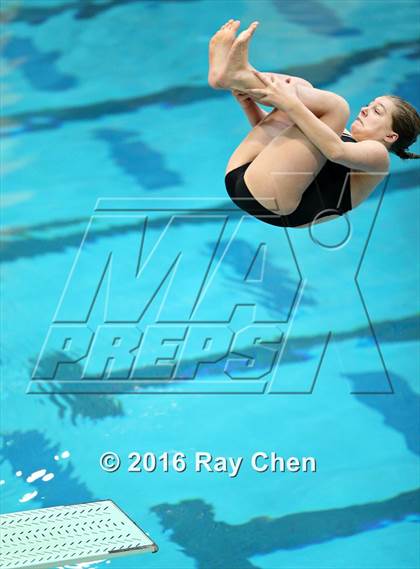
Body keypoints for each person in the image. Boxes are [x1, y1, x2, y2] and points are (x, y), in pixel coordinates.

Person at [208, 20, 420, 228]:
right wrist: (249, 106)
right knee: (304, 90)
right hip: (248, 175)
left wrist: (291, 104)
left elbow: (336, 152)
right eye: (369, 104)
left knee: (336, 106)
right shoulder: (334, 130)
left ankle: (239, 75)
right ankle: (235, 77)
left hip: (272, 203)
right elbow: (278, 145)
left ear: (391, 136)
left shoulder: (378, 156)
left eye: (377, 111)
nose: (365, 109)